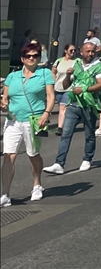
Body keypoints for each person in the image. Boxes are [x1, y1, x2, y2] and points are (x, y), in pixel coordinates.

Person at [1, 43, 55, 207]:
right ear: (23, 58)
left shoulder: (45, 73)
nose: (32, 58)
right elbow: (5, 98)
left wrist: (46, 113)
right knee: (8, 155)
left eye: (35, 56)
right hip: (13, 120)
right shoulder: (13, 76)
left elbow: (51, 96)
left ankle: (37, 184)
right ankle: (5, 194)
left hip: (34, 120)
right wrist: (3, 104)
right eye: (28, 56)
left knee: (32, 154)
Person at [43, 41, 101, 175]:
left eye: (93, 51)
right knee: (66, 134)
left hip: (89, 105)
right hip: (73, 104)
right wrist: (67, 75)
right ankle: (59, 163)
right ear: (81, 52)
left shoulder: (99, 66)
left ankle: (87, 158)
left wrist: (85, 89)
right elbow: (66, 85)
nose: (90, 54)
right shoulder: (76, 65)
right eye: (88, 51)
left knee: (89, 134)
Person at [51, 44, 77, 136]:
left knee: (63, 107)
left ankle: (60, 127)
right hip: (58, 88)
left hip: (68, 88)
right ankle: (65, 124)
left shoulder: (75, 62)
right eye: (71, 50)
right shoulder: (58, 61)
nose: (73, 52)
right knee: (60, 107)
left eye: (74, 50)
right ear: (65, 51)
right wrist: (54, 81)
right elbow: (53, 72)